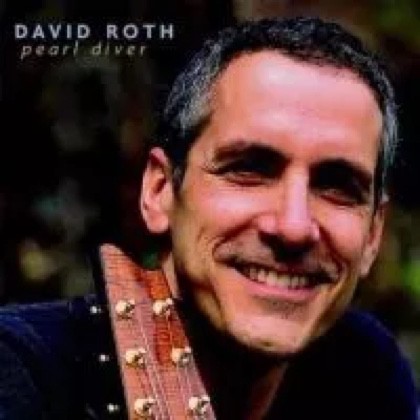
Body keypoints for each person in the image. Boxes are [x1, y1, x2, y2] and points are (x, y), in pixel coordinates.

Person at [0, 16, 418, 420]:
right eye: (248, 170)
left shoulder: (362, 371)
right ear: (160, 191)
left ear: (373, 234)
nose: (293, 226)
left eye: (338, 186)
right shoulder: (22, 372)